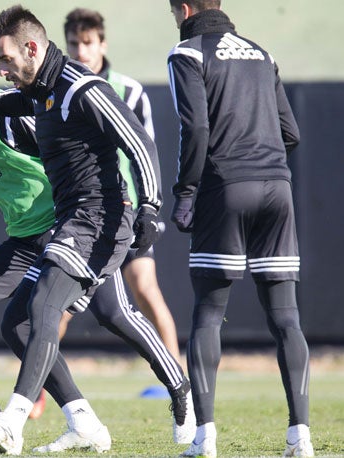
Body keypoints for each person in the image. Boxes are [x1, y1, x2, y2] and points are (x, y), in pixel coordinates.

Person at [0, 6, 194, 454]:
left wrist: (151, 207)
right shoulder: (40, 91)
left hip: (100, 217)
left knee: (44, 304)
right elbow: (6, 100)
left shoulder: (81, 87)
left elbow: (140, 142)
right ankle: (98, 417)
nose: (1, 70)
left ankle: (12, 420)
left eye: (5, 59)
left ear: (32, 49)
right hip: (73, 220)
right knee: (31, 323)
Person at [166, 1, 312, 457]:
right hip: (278, 190)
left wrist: (186, 191)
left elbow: (197, 129)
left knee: (209, 312)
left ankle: (205, 439)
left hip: (225, 188)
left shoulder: (187, 54)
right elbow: (292, 133)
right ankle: (300, 438)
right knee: (286, 318)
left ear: (185, 8)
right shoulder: (262, 54)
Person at [60, 7, 181, 363]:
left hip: (126, 213)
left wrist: (149, 208)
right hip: (81, 214)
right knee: (59, 304)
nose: (81, 51)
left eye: (87, 42)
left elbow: (147, 152)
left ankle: (177, 375)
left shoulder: (128, 91)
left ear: (102, 44)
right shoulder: (59, 91)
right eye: (73, 43)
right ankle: (36, 395)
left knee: (145, 290)